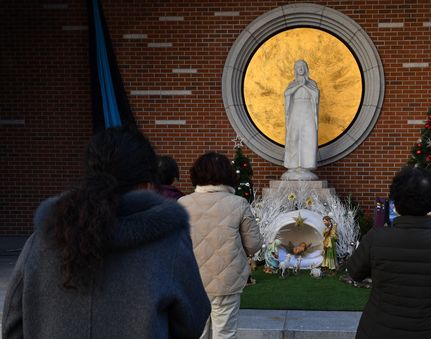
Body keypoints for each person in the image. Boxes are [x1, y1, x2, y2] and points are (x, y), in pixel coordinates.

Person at [2, 127, 210, 339]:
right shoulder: (169, 241)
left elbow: (13, 322)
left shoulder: (44, 239)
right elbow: (193, 319)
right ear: (147, 183)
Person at [347, 166, 431, 339]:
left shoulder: (377, 237)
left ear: (396, 201)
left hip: (378, 330)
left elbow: (354, 271)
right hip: (429, 331)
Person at [178, 152, 263, 339]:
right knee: (224, 334)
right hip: (226, 282)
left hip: (191, 281)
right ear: (229, 175)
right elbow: (254, 245)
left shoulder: (182, 204)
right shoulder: (239, 204)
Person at [282, 59, 320, 180]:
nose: (300, 68)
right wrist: (299, 85)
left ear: (306, 68)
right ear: (295, 69)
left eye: (302, 66)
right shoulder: (292, 83)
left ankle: (306, 166)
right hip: (296, 111)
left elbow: (315, 95)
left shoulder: (312, 83)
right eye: (298, 66)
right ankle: (293, 166)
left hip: (307, 111)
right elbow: (287, 94)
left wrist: (305, 85)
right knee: (294, 137)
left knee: (308, 137)